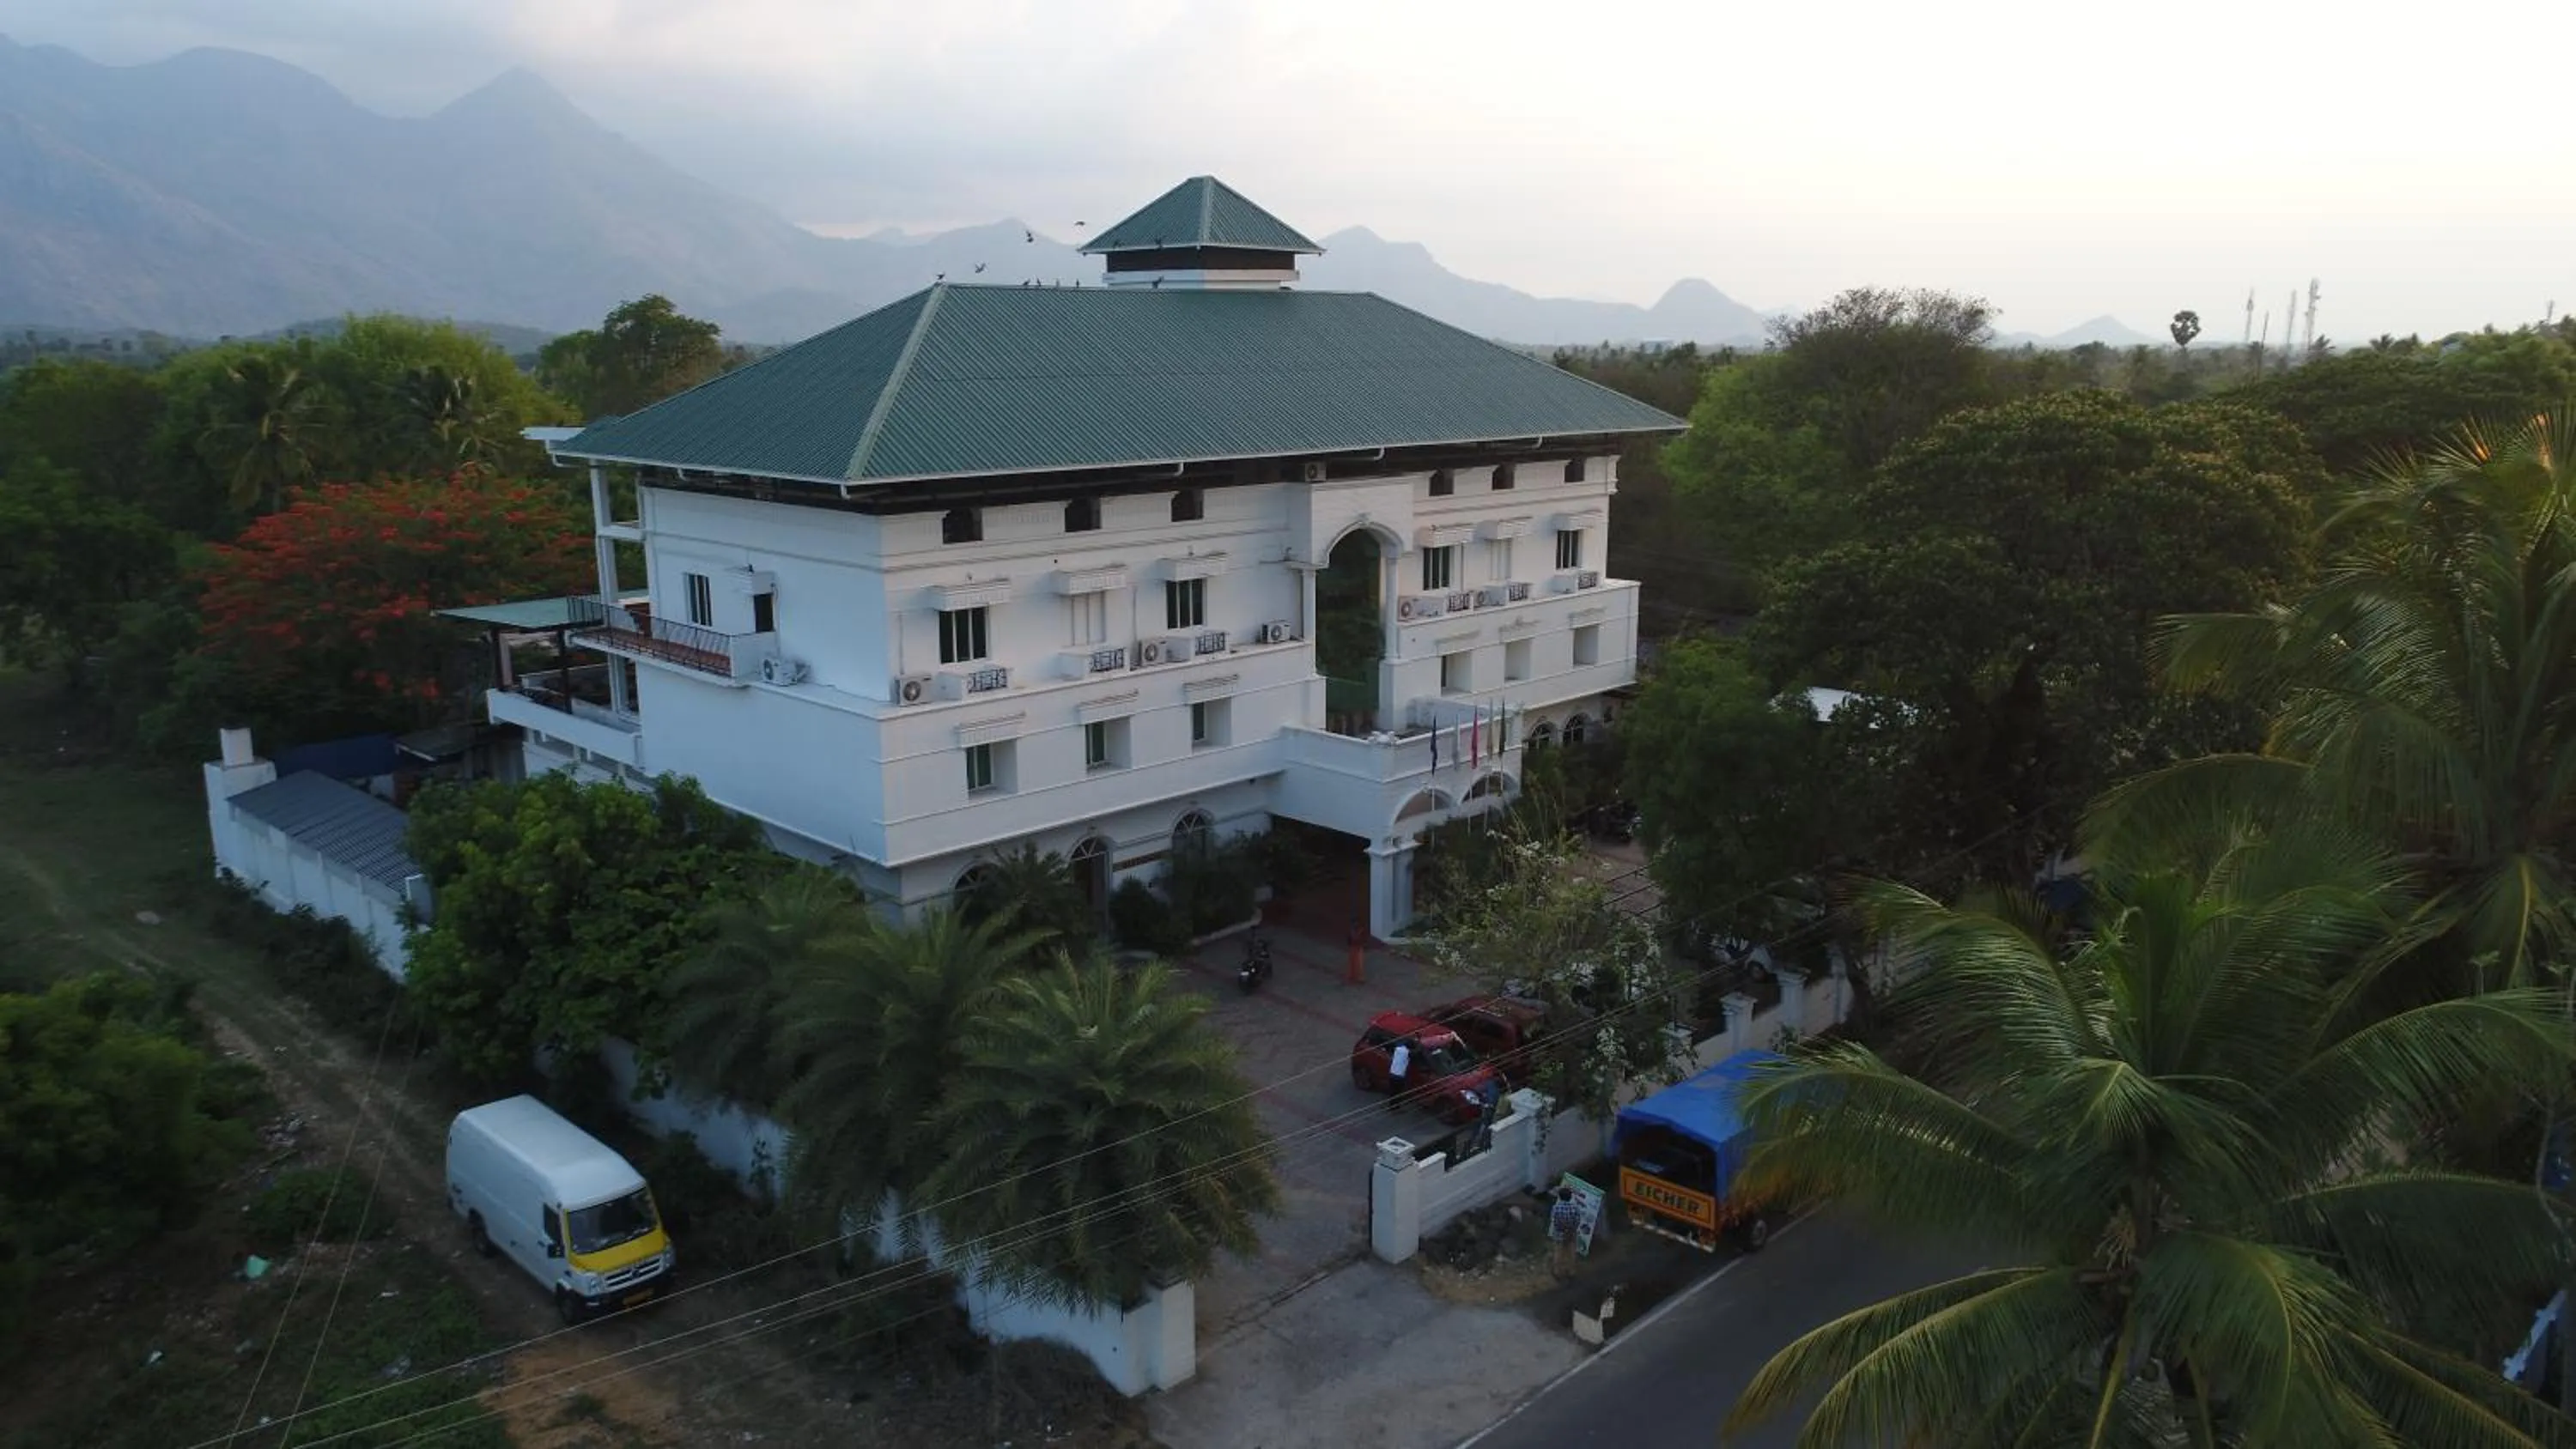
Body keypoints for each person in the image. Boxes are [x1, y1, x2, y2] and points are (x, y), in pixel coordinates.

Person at [1548, 1185, 1583, 1279]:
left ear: (1560, 1196)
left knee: (1558, 1252)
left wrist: (1561, 1228)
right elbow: (1577, 1220)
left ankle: (1558, 1272)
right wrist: (1571, 1229)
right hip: (1571, 1232)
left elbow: (1554, 1220)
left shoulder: (1556, 1207)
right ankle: (1571, 1271)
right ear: (1570, 1197)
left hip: (1559, 1232)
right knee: (1571, 1252)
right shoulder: (1574, 1207)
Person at [1387, 1038, 1413, 1107]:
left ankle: (1390, 1104)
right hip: (1400, 1076)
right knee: (1398, 1091)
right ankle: (1395, 1106)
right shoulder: (1408, 1053)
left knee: (1392, 1090)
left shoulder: (1397, 1049)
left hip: (1392, 1072)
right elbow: (1415, 1053)